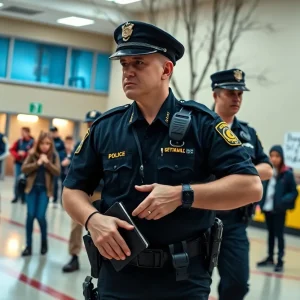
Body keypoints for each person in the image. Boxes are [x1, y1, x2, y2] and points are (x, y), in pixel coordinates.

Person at [62, 21, 263, 300]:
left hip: (183, 279)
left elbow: (251, 186)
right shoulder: (105, 127)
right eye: (124, 64)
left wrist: (183, 195)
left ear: (166, 70)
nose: (128, 71)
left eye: (139, 63)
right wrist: (92, 219)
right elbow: (72, 190)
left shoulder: (202, 125)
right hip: (117, 277)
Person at [210, 68, 273, 300]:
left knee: (237, 284)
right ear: (216, 95)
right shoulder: (197, 126)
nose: (237, 98)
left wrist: (237, 175)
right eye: (231, 93)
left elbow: (267, 168)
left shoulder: (248, 134)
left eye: (240, 94)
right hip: (199, 219)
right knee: (191, 284)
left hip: (235, 222)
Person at [62, 110, 103, 273]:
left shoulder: (109, 142)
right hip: (83, 193)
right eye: (88, 123)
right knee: (76, 226)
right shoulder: (82, 143)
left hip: (102, 191)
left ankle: (103, 260)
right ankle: (74, 256)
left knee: (103, 227)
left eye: (93, 123)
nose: (90, 126)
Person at [257, 145, 298, 272]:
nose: (274, 159)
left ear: (282, 157)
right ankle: (270, 257)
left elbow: (293, 192)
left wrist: (283, 201)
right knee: (270, 234)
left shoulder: (287, 173)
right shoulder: (268, 171)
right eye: (272, 155)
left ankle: (280, 259)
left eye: (277, 156)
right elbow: (263, 187)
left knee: (279, 235)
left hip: (279, 210)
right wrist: (260, 203)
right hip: (268, 209)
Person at [20, 131, 60, 256]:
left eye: (47, 143)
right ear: (38, 143)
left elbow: (57, 172)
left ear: (51, 145)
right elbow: (24, 168)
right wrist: (37, 163)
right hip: (31, 189)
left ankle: (44, 241)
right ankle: (28, 246)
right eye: (42, 143)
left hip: (44, 191)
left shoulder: (54, 155)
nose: (45, 146)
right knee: (30, 216)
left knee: (40, 216)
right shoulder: (33, 154)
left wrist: (47, 162)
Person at [9, 127, 34, 203]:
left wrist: (25, 154)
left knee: (25, 180)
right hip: (18, 163)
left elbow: (33, 152)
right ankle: (16, 196)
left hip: (27, 165)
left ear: (28, 132)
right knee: (17, 180)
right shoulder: (19, 141)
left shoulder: (32, 142)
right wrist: (17, 155)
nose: (22, 134)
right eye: (22, 132)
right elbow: (11, 149)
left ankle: (23, 197)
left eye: (24, 132)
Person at [49, 126, 65, 206]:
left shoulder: (61, 142)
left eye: (54, 132)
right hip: (52, 166)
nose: (53, 134)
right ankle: (54, 199)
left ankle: (62, 201)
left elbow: (63, 153)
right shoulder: (49, 142)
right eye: (51, 132)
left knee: (62, 183)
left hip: (61, 165)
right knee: (54, 183)